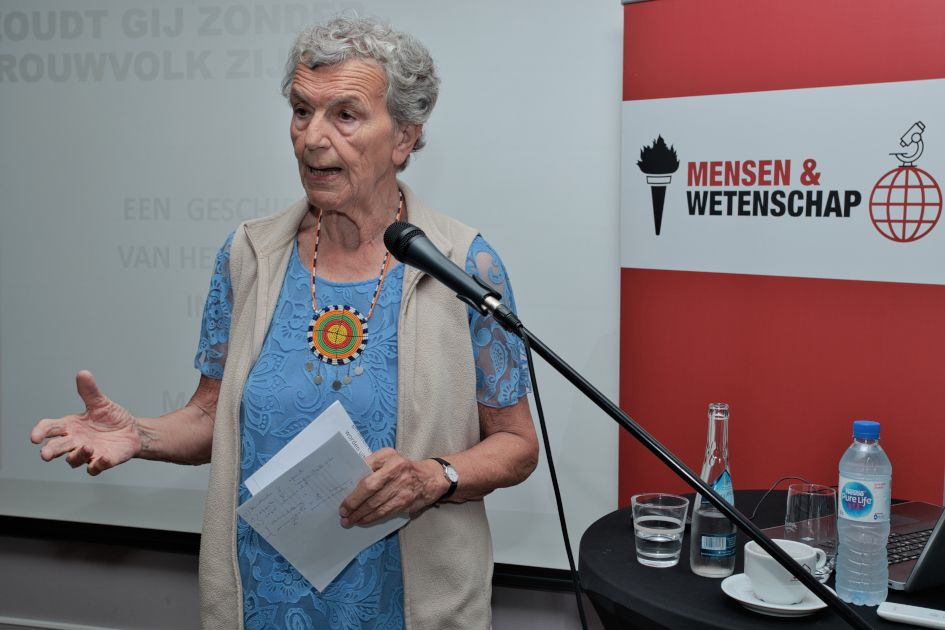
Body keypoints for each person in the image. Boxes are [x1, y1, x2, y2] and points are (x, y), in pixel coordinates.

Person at [30, 15, 538, 630]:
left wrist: (436, 476)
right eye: (301, 111)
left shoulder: (462, 264)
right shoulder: (250, 254)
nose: (312, 138)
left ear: (403, 138)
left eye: (345, 115)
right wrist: (139, 435)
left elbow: (516, 445)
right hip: (262, 603)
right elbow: (210, 417)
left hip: (410, 608)